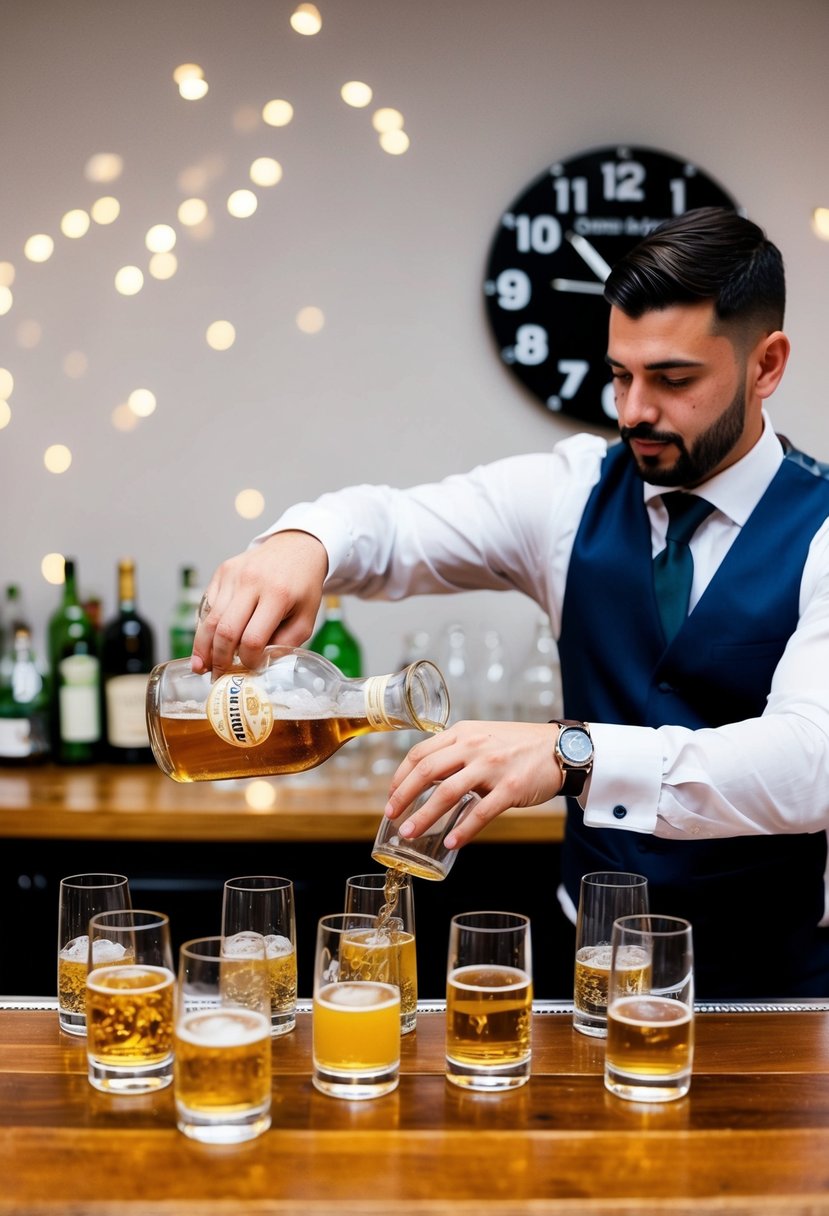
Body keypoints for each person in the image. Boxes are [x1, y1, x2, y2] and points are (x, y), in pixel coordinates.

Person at [193, 207, 829, 998]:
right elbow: (391, 527)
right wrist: (303, 542)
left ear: (765, 365)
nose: (631, 410)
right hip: (595, 970)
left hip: (779, 987)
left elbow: (812, 764)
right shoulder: (567, 496)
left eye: (671, 380)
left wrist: (572, 754)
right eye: (618, 375)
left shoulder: (823, 528)